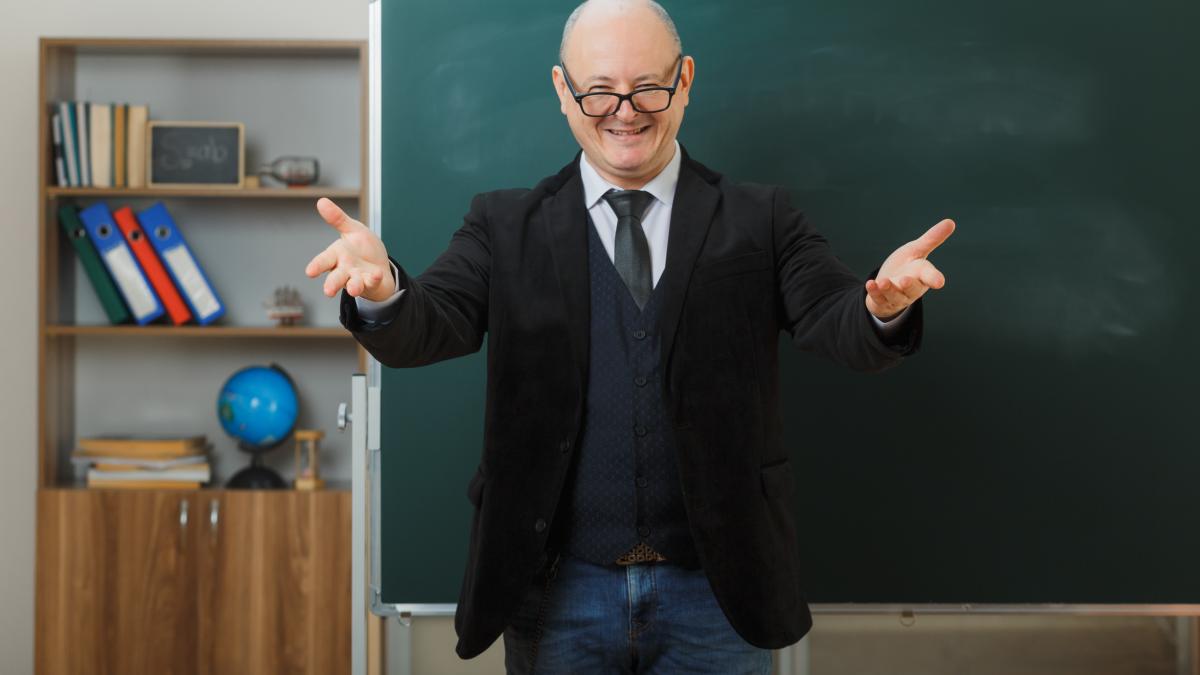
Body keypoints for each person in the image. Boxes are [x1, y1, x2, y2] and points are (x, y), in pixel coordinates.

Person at [306, 0, 953, 672]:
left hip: (718, 591)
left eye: (648, 85)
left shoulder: (761, 220)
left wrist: (885, 303)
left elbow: (837, 314)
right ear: (563, 91)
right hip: (557, 589)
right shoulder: (503, 226)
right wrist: (382, 292)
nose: (625, 109)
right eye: (598, 90)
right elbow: (429, 323)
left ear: (686, 80)